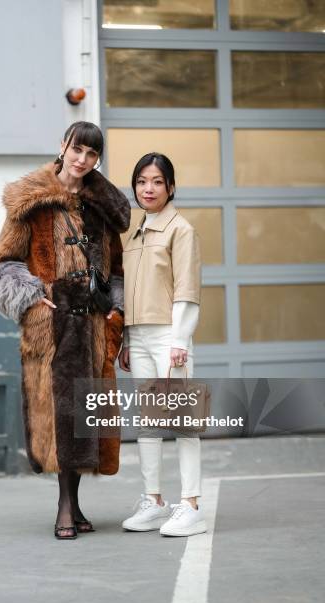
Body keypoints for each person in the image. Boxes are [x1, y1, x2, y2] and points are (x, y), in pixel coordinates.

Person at [0, 121, 130, 540]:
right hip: (53, 327)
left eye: (92, 154)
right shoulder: (30, 201)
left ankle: (76, 502)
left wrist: (114, 310)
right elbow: (3, 262)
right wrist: (31, 296)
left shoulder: (103, 208)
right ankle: (65, 507)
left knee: (85, 418)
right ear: (62, 146)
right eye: (77, 150)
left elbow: (116, 268)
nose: (82, 160)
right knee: (62, 417)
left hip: (94, 326)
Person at [119, 152, 206, 537]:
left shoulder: (180, 230)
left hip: (168, 338)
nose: (148, 189)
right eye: (141, 181)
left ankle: (190, 506)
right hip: (137, 337)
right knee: (149, 424)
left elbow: (187, 287)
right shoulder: (135, 232)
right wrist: (125, 338)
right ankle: (153, 501)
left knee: (184, 423)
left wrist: (180, 339)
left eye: (156, 181)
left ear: (171, 187)